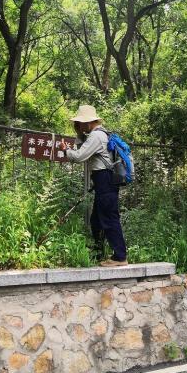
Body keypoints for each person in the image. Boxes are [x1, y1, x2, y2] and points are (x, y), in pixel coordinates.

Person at [59, 104, 128, 267]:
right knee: (96, 219)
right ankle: (98, 252)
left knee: (109, 217)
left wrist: (66, 150)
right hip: (103, 180)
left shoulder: (96, 136)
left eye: (80, 123)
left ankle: (120, 257)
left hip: (105, 179)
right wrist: (79, 133)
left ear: (88, 122)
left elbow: (79, 156)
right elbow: (84, 148)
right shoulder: (99, 134)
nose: (79, 125)